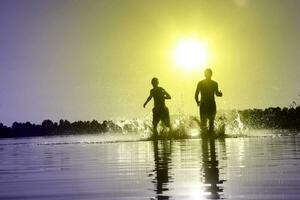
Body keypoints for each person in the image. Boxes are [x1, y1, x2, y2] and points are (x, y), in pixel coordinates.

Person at [195, 68, 222, 134]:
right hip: (209, 105)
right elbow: (217, 94)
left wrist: (197, 102)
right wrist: (220, 94)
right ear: (211, 74)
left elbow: (196, 94)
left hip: (205, 105)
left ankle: (206, 139)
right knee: (209, 123)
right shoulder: (214, 83)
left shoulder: (201, 83)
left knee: (204, 124)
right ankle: (210, 138)